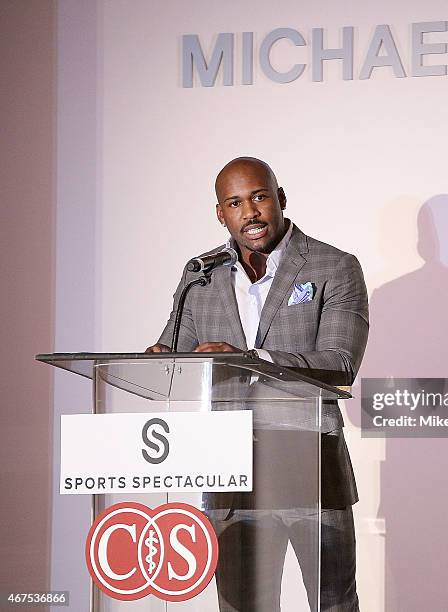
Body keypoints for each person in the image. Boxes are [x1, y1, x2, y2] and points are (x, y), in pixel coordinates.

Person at [146, 157, 368, 611]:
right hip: (229, 468)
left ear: (280, 200)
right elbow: (170, 359)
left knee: (333, 605)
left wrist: (250, 360)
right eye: (235, 202)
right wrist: (155, 361)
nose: (250, 212)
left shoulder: (334, 265)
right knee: (241, 605)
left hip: (309, 465)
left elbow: (339, 363)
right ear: (220, 213)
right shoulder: (200, 275)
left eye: (259, 197)